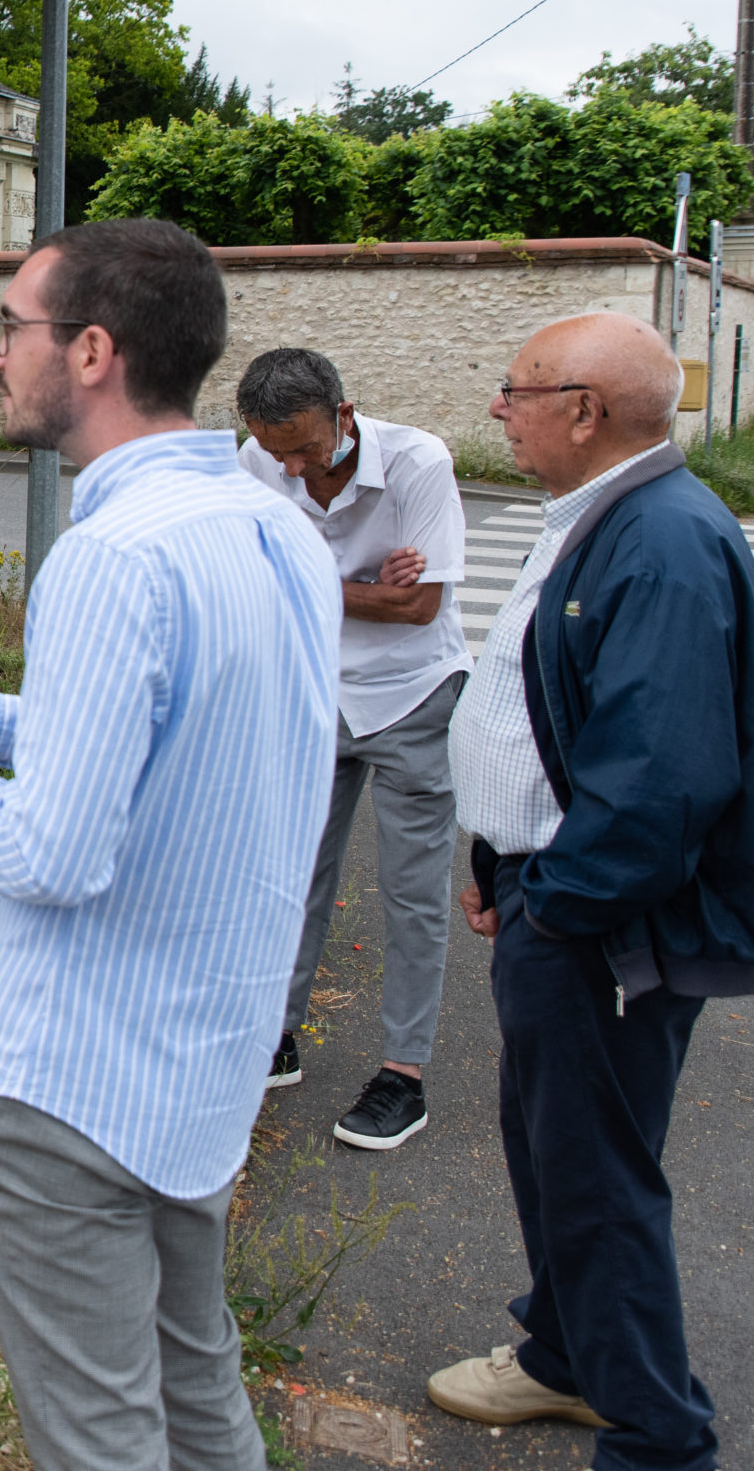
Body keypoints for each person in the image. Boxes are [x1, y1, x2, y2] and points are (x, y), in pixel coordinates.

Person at [0, 218, 337, 1470]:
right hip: (199, 1069)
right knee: (199, 1389)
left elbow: (56, 851)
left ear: (93, 350)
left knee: (100, 1437)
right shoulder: (274, 530)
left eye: (13, 327)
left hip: (73, 1089)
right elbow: (197, 741)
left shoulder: (109, 553)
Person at [427, 312, 754, 1471]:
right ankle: (563, 1354)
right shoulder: (610, 516)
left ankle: (656, 1435)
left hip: (601, 928)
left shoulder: (658, 540)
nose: (498, 406)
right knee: (557, 1154)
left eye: (515, 388)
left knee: (593, 1179)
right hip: (560, 899)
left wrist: (559, 904)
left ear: (584, 410)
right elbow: (552, 718)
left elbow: (661, 776)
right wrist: (505, 861)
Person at [235, 348, 471, 1149]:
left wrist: (306, 579)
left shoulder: (418, 462)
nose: (294, 469)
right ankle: (278, 1033)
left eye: (304, 448)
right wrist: (367, 586)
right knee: (293, 874)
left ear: (344, 415)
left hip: (412, 695)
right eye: (278, 455)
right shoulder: (256, 460)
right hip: (309, 692)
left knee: (411, 892)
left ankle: (403, 1076)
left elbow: (420, 607)